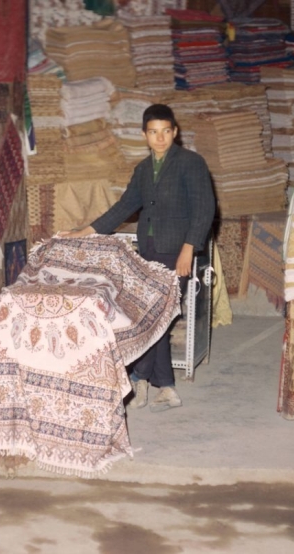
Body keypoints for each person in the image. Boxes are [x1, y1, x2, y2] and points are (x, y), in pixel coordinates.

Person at [60, 104, 215, 412]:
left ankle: (140, 379)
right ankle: (165, 386)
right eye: (153, 132)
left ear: (175, 132)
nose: (160, 138)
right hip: (149, 249)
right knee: (153, 316)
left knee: (158, 314)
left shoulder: (191, 163)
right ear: (145, 135)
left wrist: (189, 248)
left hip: (176, 251)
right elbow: (123, 207)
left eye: (166, 132)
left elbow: (204, 208)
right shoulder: (143, 170)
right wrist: (85, 232)